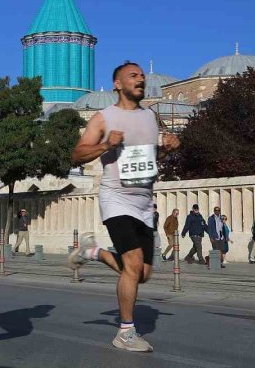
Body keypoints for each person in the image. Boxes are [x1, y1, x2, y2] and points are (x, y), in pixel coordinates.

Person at [67, 62, 180, 353]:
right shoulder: (104, 117)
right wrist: (106, 145)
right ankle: (126, 332)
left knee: (142, 273)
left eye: (142, 76)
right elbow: (76, 155)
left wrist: (166, 150)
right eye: (133, 76)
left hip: (144, 202)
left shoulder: (150, 117)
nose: (140, 79)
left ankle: (92, 252)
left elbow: (150, 165)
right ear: (117, 84)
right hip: (116, 199)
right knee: (131, 265)